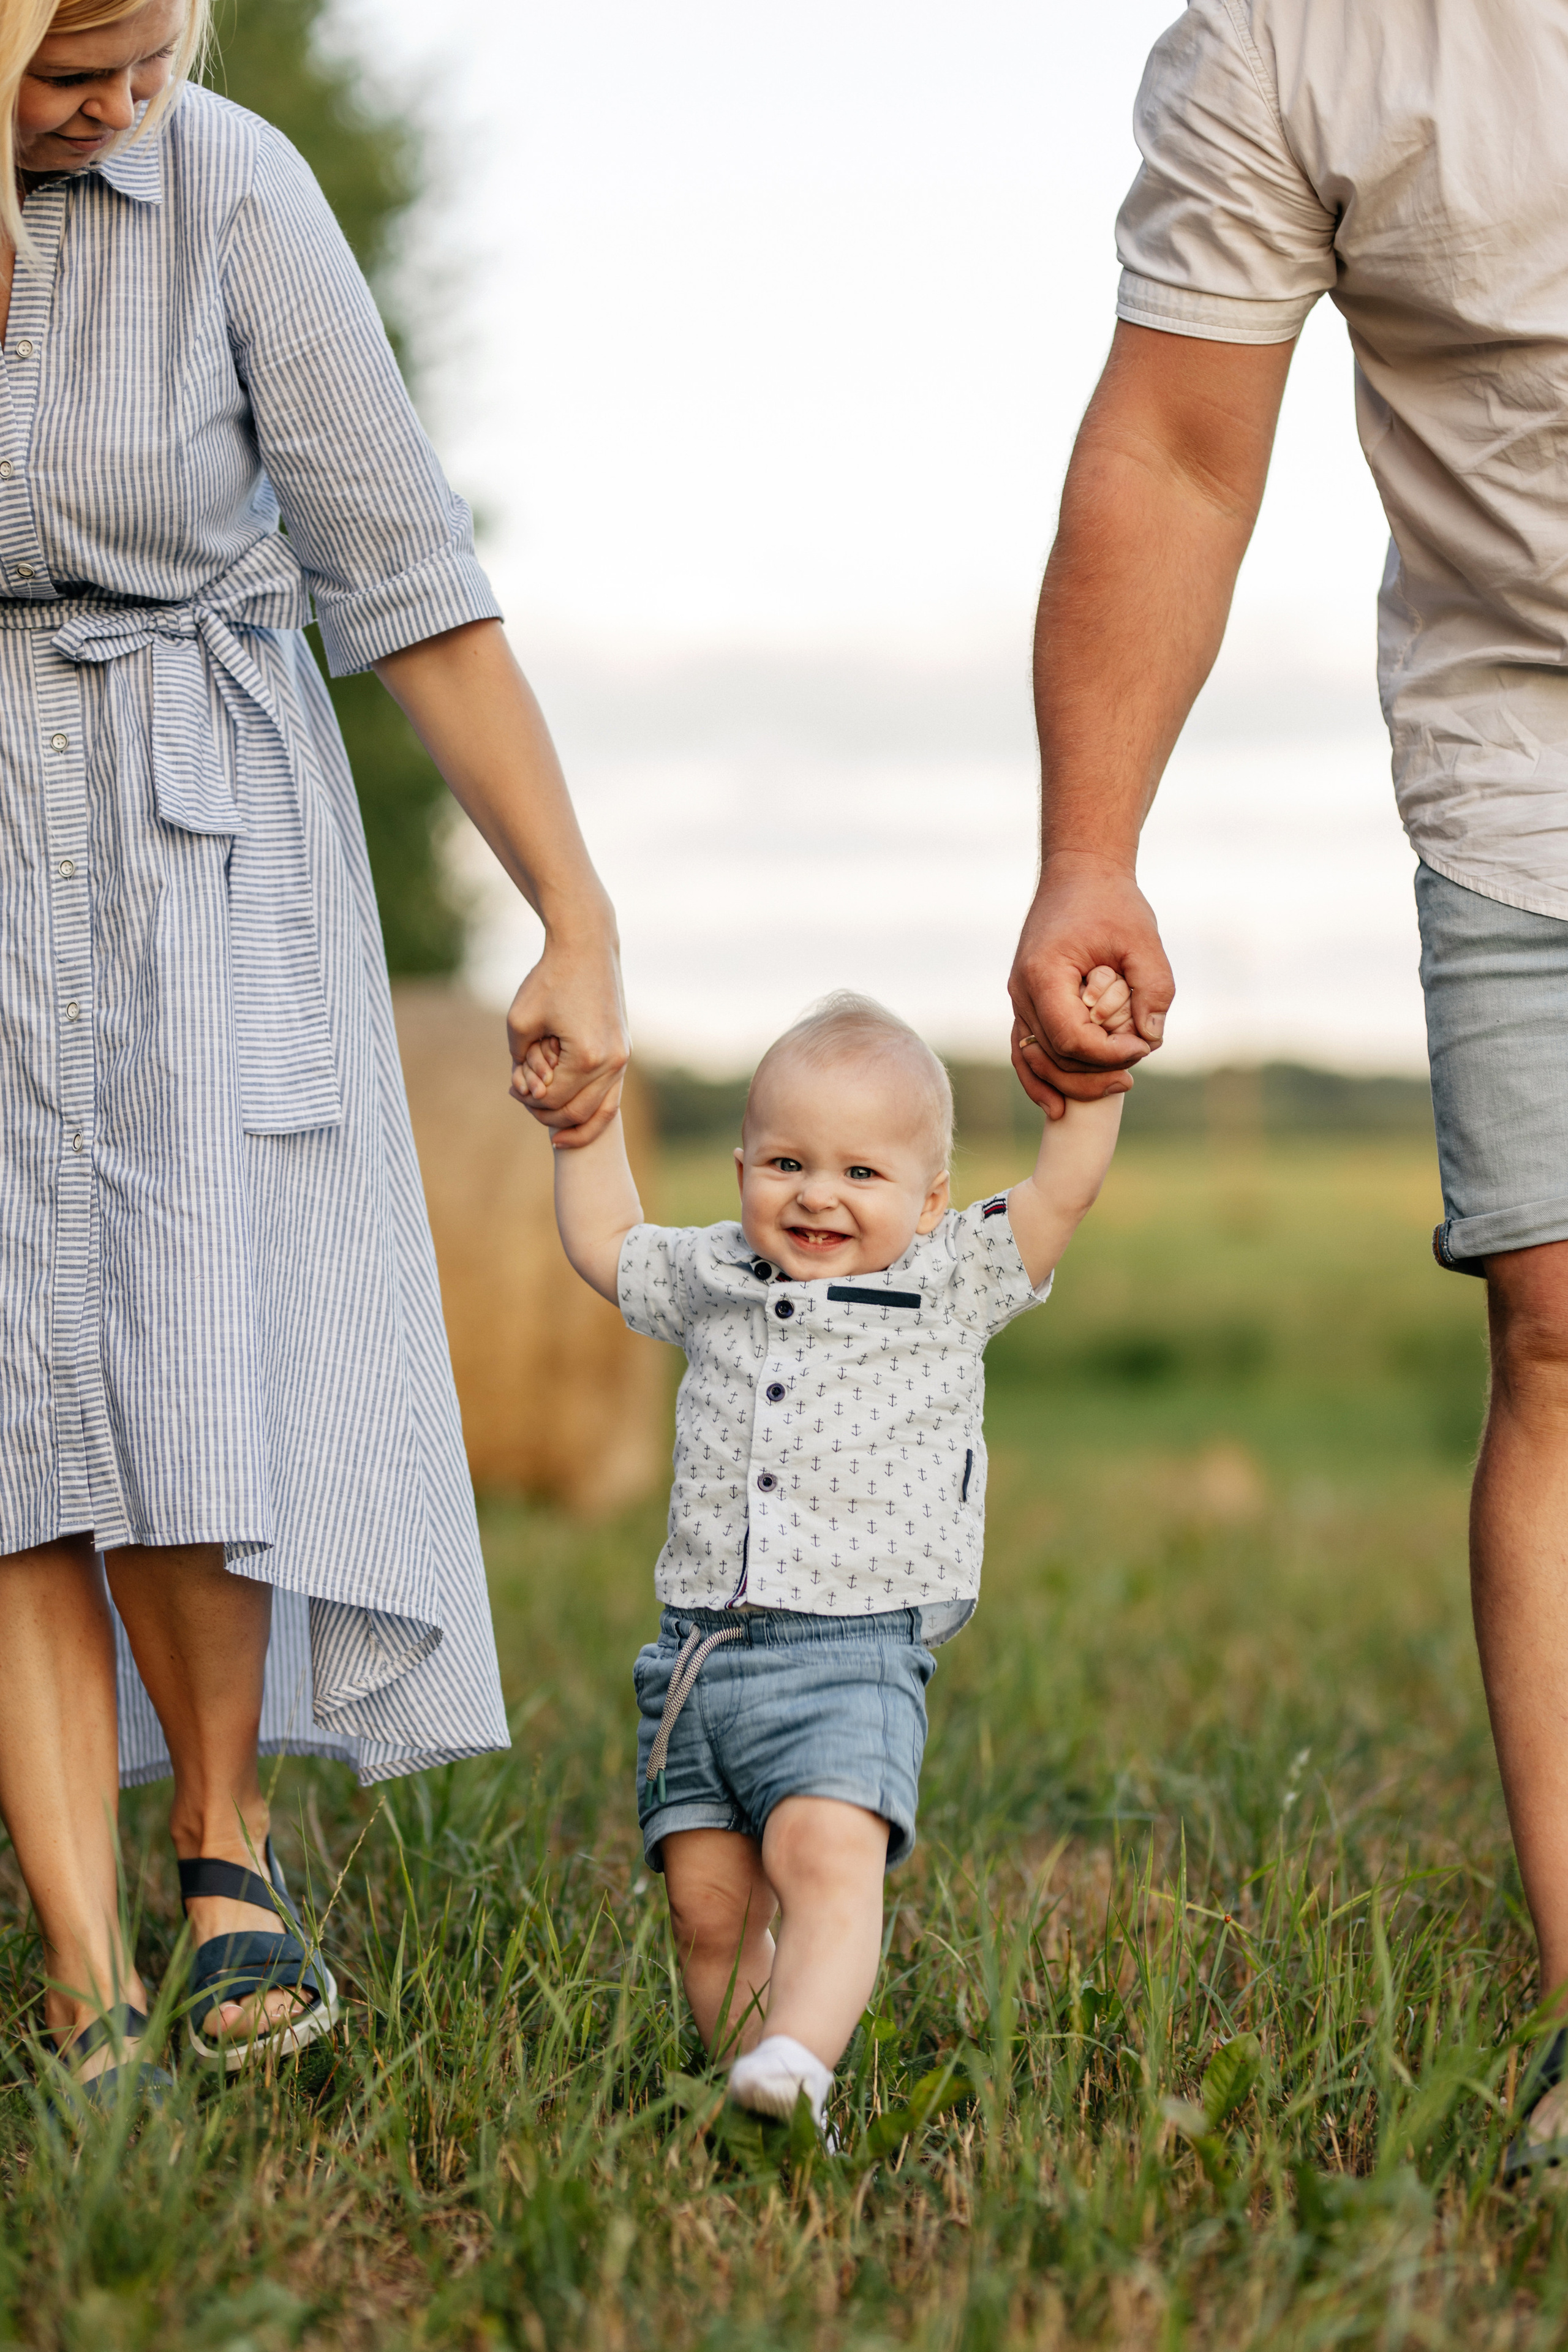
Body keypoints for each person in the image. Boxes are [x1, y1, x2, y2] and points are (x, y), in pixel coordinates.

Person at [0, 0, 626, 2101]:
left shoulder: (233, 185)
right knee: (6, 1399)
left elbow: (409, 578)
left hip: (193, 813)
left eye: (146, 65)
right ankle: (81, 1970)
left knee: (177, 1347)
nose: (116, 109)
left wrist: (572, 905)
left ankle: (221, 1845)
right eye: (68, 77)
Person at [1005, 0, 1568, 2178]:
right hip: (1531, 748)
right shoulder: (1278, 41)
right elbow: (1175, 444)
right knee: (1556, 1331)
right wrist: (1089, 845)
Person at [532, 985, 1124, 2131]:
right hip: (695, 1666)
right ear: (743, 1166)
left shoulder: (951, 1281)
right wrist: (586, 1130)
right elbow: (607, 1244)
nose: (818, 1194)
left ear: (931, 1197)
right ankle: (763, 2106)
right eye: (787, 1162)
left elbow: (1060, 1192)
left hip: (850, 1660)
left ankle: (803, 2054)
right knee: (708, 1917)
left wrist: (1087, 1092)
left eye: (862, 1173)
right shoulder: (712, 1278)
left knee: (824, 1862)